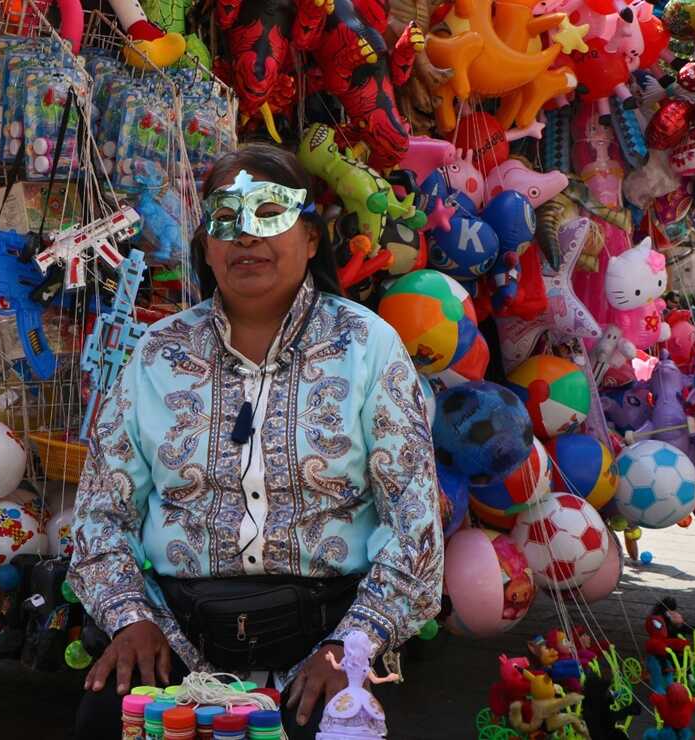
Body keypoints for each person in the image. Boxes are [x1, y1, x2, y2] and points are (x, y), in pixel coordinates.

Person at [68, 145, 444, 739]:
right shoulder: (156, 354)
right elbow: (98, 515)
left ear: (313, 239)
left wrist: (349, 646)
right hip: (174, 638)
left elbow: (415, 530)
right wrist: (131, 621)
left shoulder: (368, 347)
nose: (246, 236)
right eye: (226, 219)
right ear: (208, 248)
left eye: (269, 211)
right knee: (104, 721)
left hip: (325, 642)